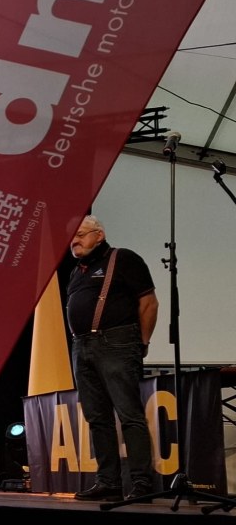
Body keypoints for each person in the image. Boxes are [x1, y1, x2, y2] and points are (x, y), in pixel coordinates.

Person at [66, 215, 158, 501]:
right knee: (97, 418)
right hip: (81, 346)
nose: (74, 241)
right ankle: (108, 482)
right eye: (72, 237)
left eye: (81, 234)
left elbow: (149, 303)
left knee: (129, 414)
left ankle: (142, 483)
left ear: (99, 235)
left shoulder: (123, 258)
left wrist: (142, 343)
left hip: (116, 342)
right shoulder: (77, 272)